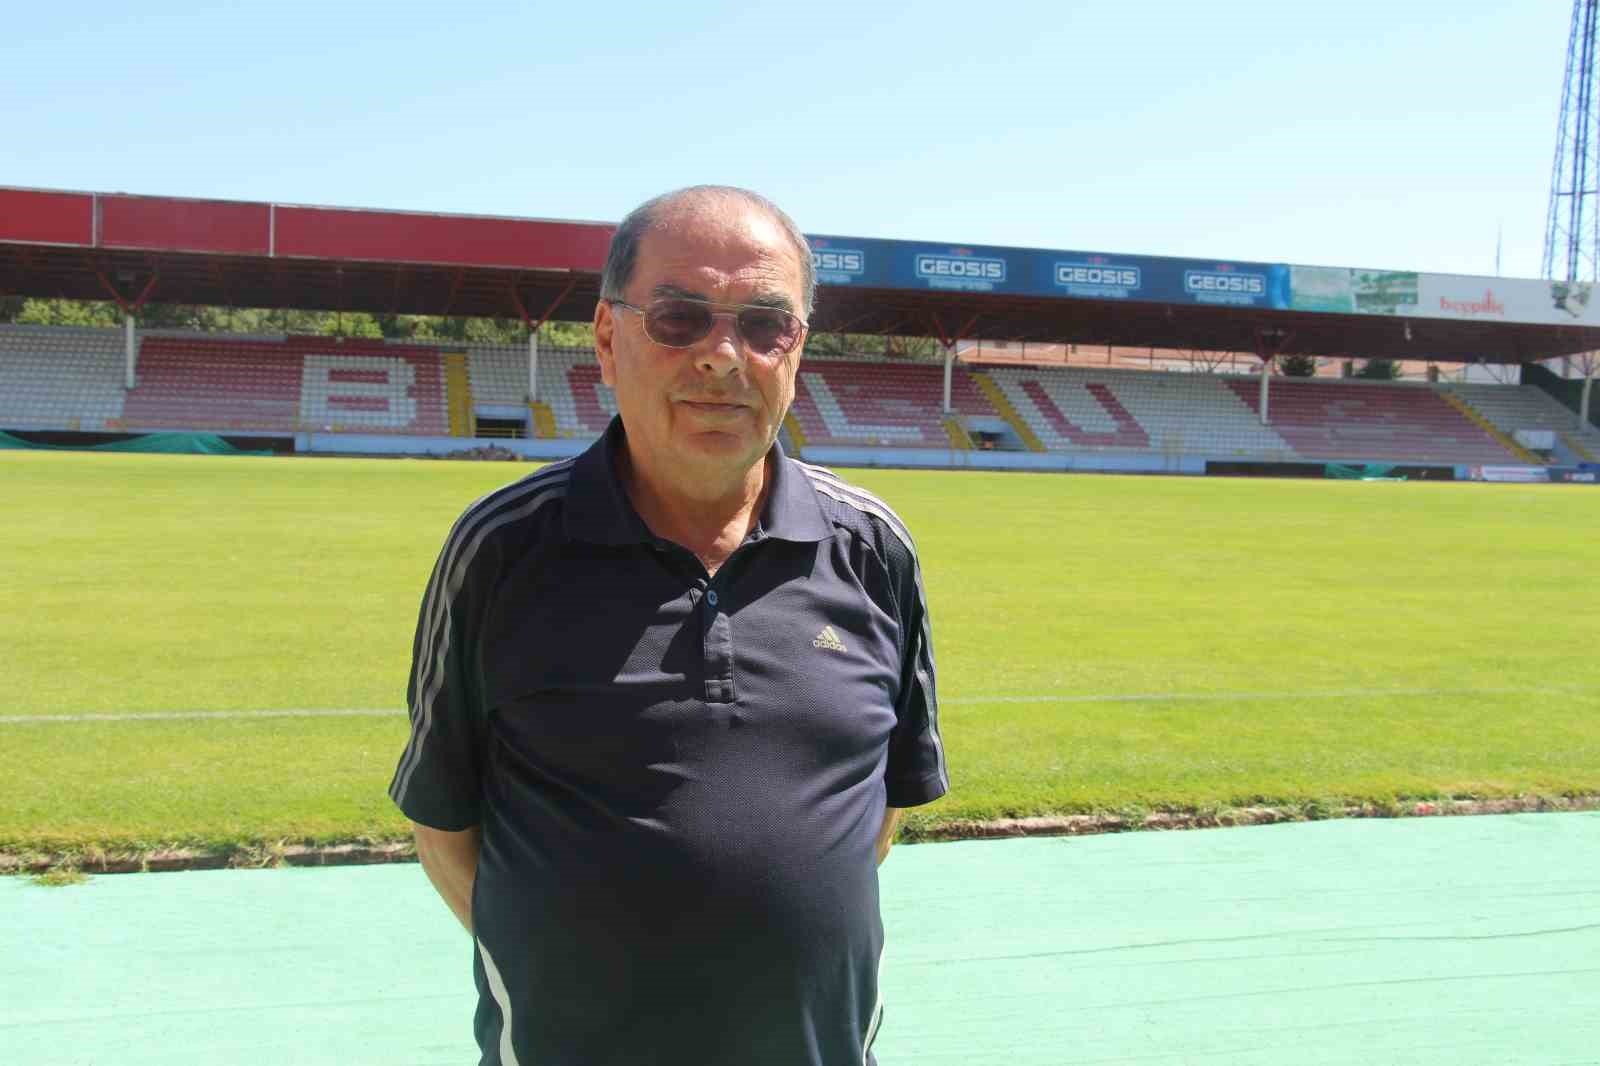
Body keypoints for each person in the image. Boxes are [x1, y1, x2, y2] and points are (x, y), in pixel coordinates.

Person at [389, 185, 948, 1066]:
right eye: (681, 317)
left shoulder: (874, 550)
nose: (725, 357)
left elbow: (875, 810)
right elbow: (443, 827)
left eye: (767, 324)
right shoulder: (499, 553)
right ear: (608, 340)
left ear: (798, 348)